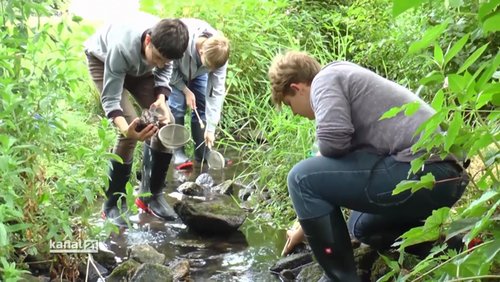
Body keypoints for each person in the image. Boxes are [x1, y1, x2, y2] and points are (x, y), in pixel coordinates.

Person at [268, 51, 467, 281]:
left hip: (429, 170)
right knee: (362, 226)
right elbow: (340, 168)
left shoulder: (325, 80)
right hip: (445, 177)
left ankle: (340, 279)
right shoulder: (341, 79)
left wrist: (307, 211)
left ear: (298, 87)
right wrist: (305, 226)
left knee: (299, 178)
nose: (294, 113)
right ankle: (449, 246)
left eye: (289, 103)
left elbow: (332, 144)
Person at [84, 15, 189, 227]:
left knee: (163, 123)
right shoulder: (122, 46)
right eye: (158, 57)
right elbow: (111, 99)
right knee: (130, 131)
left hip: (141, 69)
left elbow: (164, 68)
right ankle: (113, 204)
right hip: (104, 61)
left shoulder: (168, 48)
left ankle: (151, 196)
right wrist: (126, 130)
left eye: (165, 60)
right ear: (148, 40)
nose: (160, 63)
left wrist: (161, 97)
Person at [168, 18, 230, 169]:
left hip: (198, 72)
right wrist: (185, 89)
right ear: (201, 51)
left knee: (201, 104)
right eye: (209, 66)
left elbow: (216, 92)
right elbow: (167, 70)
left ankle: (202, 152)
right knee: (177, 107)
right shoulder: (179, 40)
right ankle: (178, 153)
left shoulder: (219, 54)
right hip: (174, 70)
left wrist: (211, 128)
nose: (212, 70)